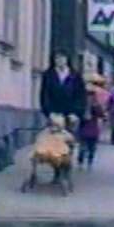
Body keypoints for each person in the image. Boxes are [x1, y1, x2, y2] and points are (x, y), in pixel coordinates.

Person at [40, 50, 86, 181]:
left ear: (67, 60)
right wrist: (49, 113)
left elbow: (80, 96)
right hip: (55, 114)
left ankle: (66, 169)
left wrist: (76, 113)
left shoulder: (75, 76)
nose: (59, 61)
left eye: (62, 58)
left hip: (70, 114)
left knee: (68, 142)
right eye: (57, 58)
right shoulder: (48, 75)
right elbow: (44, 96)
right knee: (54, 144)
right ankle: (56, 171)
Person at [78, 75, 107, 170]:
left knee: (82, 146)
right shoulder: (95, 104)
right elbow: (101, 114)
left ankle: (81, 162)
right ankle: (89, 163)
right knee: (91, 147)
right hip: (93, 128)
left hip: (83, 127)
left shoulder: (81, 104)